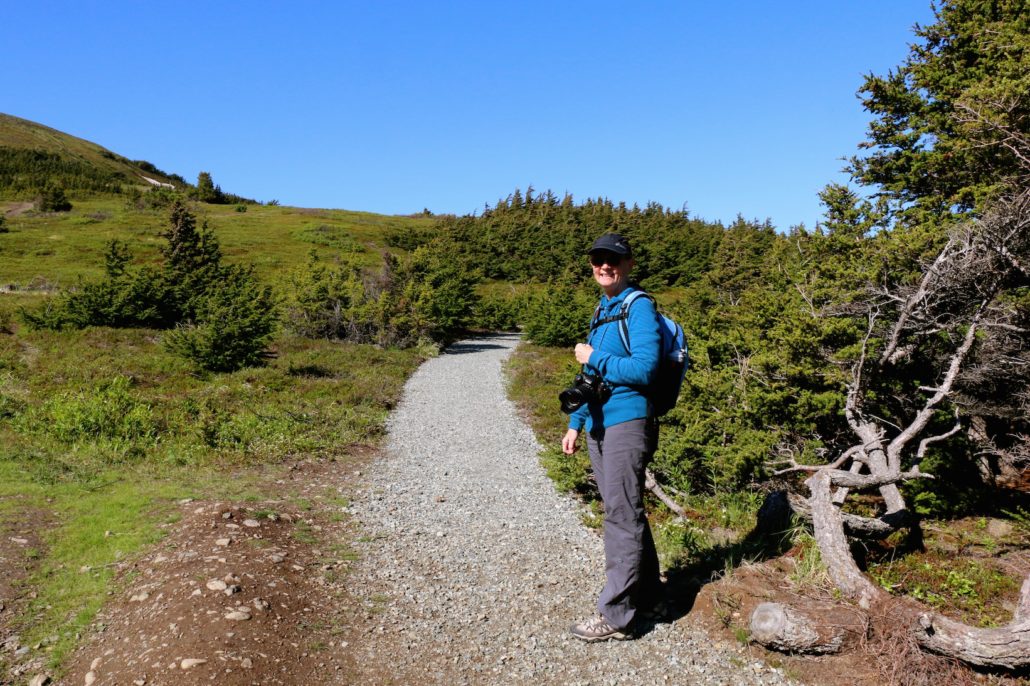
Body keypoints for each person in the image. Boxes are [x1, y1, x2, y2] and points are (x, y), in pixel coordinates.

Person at [562, 232, 664, 642]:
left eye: (614, 260)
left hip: (628, 422)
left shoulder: (638, 307)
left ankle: (617, 616)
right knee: (626, 509)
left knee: (620, 515)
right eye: (598, 259)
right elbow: (593, 379)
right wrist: (577, 421)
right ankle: (651, 594)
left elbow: (644, 369)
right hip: (601, 424)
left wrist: (594, 356)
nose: (605, 266)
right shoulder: (604, 310)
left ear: (628, 265)